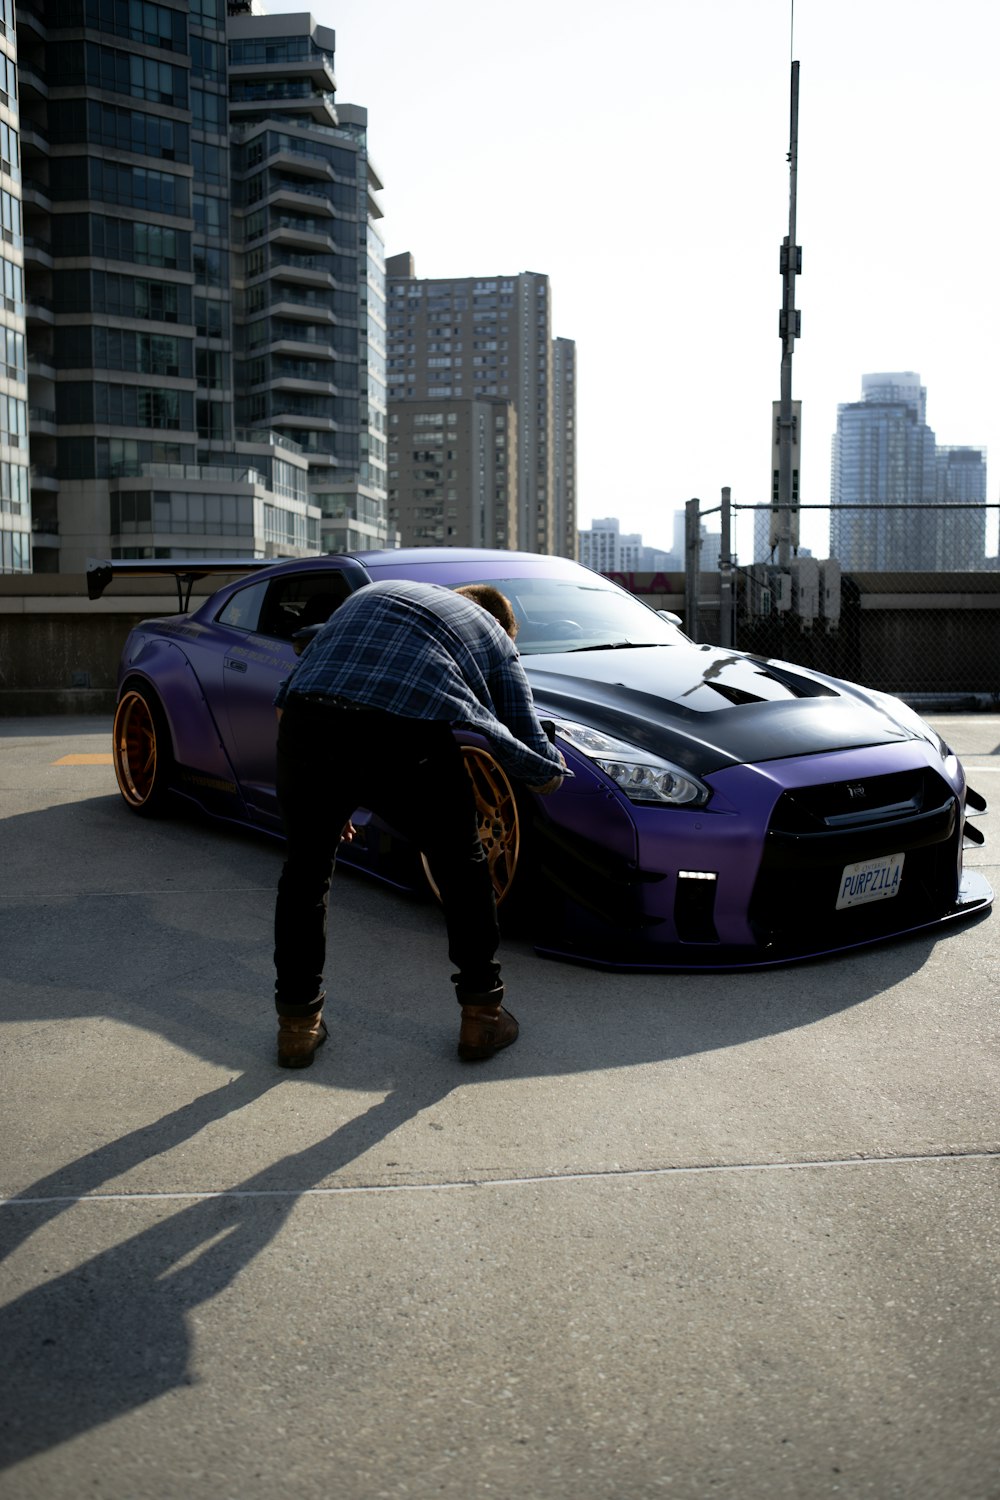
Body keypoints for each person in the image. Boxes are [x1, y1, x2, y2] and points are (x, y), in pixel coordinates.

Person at [271, 578, 566, 1069]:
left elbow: (286, 700)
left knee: (305, 873)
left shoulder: (375, 594)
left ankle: (297, 1029)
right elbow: (528, 743)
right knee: (462, 867)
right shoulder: (493, 636)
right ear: (503, 625)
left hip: (307, 723)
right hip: (404, 737)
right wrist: (552, 769)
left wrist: (330, 798)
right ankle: (482, 1018)